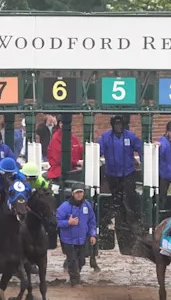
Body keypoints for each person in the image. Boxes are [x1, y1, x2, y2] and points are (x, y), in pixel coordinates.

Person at [97, 115, 142, 253]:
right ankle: (118, 220)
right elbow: (97, 150)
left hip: (128, 173)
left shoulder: (130, 136)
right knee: (116, 198)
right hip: (112, 174)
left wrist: (144, 162)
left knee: (129, 197)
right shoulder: (105, 137)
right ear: (112, 125)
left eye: (120, 125)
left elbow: (141, 148)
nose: (118, 127)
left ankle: (133, 223)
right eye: (116, 124)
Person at [58, 186, 98, 286]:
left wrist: (93, 235)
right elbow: (57, 222)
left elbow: (92, 221)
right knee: (72, 261)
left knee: (81, 260)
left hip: (82, 239)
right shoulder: (65, 206)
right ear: (73, 194)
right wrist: (68, 222)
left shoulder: (87, 205)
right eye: (77, 192)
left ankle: (74, 276)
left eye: (81, 192)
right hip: (68, 240)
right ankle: (75, 282)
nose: (79, 194)